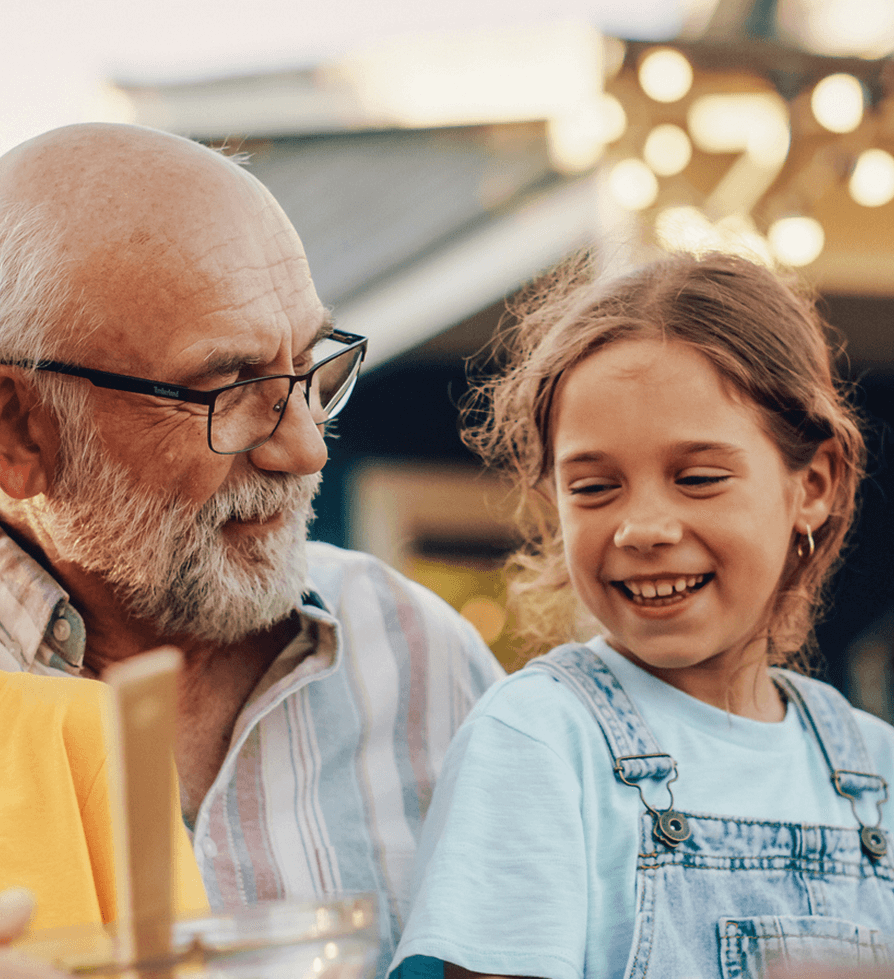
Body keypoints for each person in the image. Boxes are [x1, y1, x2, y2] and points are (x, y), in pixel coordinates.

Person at [0, 122, 502, 975]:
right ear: (18, 430)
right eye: (231, 389)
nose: (305, 447)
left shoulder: (423, 662)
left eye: (309, 367)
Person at [389, 252, 894, 979]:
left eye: (697, 478)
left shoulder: (873, 771)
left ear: (811, 484)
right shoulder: (541, 741)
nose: (642, 527)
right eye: (594, 487)